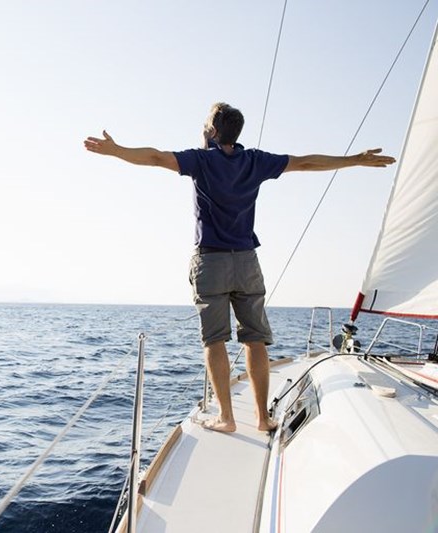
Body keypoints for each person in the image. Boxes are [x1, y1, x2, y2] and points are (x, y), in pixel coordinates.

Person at [84, 102, 396, 433]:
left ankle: (227, 418)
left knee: (214, 341)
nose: (202, 129)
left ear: (214, 131)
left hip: (212, 261)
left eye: (205, 125)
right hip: (247, 261)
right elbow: (306, 162)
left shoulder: (201, 160)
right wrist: (355, 160)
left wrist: (117, 151)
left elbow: (157, 157)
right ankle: (262, 418)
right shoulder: (254, 161)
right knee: (255, 340)